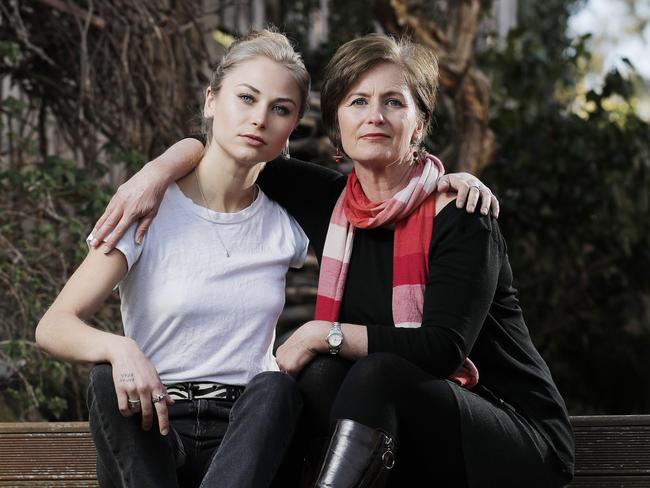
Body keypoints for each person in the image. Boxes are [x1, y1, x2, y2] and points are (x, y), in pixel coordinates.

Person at [86, 36, 559, 488]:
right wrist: (151, 175)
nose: (375, 115)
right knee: (319, 378)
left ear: (419, 124)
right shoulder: (330, 204)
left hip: (507, 431)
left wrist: (322, 333)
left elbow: (441, 349)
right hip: (402, 435)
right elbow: (226, 144)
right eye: (358, 102)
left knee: (370, 370)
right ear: (337, 125)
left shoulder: (459, 213)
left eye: (394, 102)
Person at [36, 30, 313, 488]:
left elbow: (384, 202)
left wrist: (444, 181)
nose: (259, 118)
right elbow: (53, 325)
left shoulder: (291, 219)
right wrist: (118, 347)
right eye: (246, 98)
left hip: (246, 439)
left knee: (277, 388)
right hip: (152, 427)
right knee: (107, 379)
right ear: (211, 101)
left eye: (280, 108)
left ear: (291, 125)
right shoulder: (146, 207)